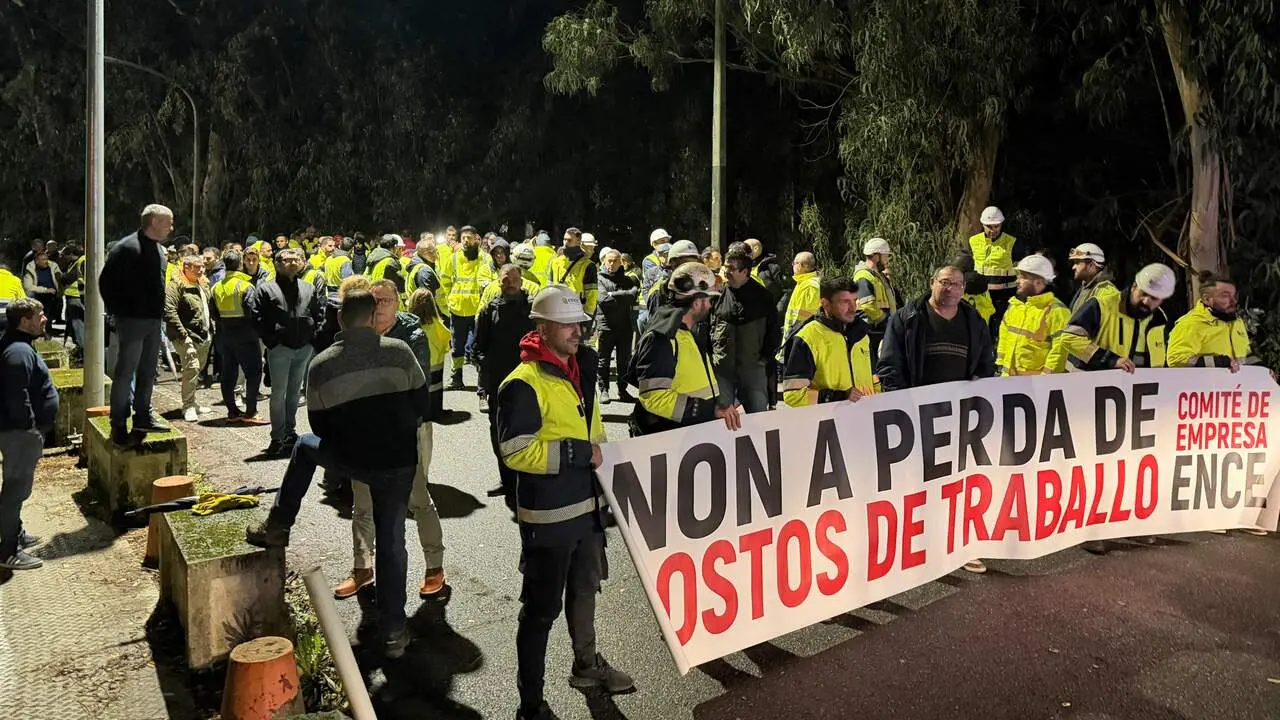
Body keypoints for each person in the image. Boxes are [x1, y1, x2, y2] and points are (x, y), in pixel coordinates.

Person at [247, 290, 428, 658]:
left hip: (351, 458)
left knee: (304, 446)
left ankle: (279, 525)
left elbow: (320, 426)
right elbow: (421, 405)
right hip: (397, 462)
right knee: (392, 541)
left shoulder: (322, 364)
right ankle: (394, 632)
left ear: (341, 319)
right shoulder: (400, 352)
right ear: (374, 317)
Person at [495, 285, 634, 720]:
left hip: (587, 510)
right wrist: (577, 453)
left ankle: (587, 667)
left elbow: (594, 433)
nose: (578, 332)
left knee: (586, 590)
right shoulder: (521, 383)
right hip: (550, 519)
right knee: (541, 612)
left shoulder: (580, 369)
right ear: (542, 328)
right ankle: (530, 705)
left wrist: (605, 485)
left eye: (580, 324)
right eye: (567, 325)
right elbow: (515, 451)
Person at [331, 281, 450, 602]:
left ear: (398, 304)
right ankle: (362, 568)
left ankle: (435, 566)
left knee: (418, 498)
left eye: (387, 300)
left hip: (404, 434)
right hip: (365, 435)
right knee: (362, 504)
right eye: (375, 300)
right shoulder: (358, 334)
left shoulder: (412, 337)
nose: (380, 305)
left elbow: (413, 387)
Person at [1055, 263, 1175, 554]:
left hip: (1134, 403)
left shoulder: (1159, 319)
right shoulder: (1102, 305)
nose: (1146, 301)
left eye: (1154, 298)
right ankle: (1091, 528)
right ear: (1133, 286)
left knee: (1131, 464)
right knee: (1094, 466)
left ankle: (1129, 522)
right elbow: (1069, 337)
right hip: (1089, 398)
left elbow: (1162, 359)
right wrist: (1109, 359)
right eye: (1143, 294)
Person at [631, 263, 742, 436]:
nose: (711, 306)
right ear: (697, 302)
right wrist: (709, 410)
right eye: (710, 300)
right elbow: (654, 398)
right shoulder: (662, 339)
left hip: (691, 431)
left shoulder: (688, 333)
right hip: (673, 436)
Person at [99, 203, 174, 445]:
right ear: (154, 222)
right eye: (168, 223)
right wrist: (118, 312)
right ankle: (118, 423)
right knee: (125, 372)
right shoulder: (126, 248)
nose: (171, 228)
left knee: (148, 371)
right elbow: (106, 283)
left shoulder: (158, 249)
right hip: (131, 320)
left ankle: (143, 416)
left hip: (153, 320)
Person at [0, 299, 58, 570]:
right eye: (40, 315)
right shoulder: (18, 352)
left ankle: (16, 532)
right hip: (19, 433)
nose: (44, 318)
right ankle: (8, 551)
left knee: (17, 489)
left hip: (20, 432)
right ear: (24, 321)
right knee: (15, 491)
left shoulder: (20, 345)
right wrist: (30, 429)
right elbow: (17, 396)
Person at [248, 249, 323, 453]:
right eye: (286, 259)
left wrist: (312, 340)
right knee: (278, 393)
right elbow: (256, 317)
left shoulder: (308, 287)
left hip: (303, 348)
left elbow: (319, 313)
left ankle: (289, 431)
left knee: (294, 393)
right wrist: (272, 341)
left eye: (295, 259)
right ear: (277, 264)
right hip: (280, 349)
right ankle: (277, 436)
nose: (292, 262)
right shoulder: (266, 289)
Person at [877, 265, 996, 391]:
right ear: (932, 283)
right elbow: (890, 365)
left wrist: (977, 388)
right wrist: (903, 398)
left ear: (963, 288)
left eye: (957, 284)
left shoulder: (975, 321)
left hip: (961, 400)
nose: (950, 289)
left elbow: (986, 363)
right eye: (945, 282)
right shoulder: (907, 319)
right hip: (918, 400)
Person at [475, 266, 535, 507]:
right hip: (499, 384)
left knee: (529, 430)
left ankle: (527, 480)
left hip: (529, 382)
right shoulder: (489, 309)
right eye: (505, 280)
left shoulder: (533, 308)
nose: (510, 283)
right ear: (498, 282)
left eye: (514, 279)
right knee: (499, 432)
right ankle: (507, 480)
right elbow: (478, 347)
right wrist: (487, 367)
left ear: (521, 281)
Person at [781, 276, 875, 407]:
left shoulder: (862, 334)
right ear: (825, 304)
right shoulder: (807, 337)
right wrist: (838, 397)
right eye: (845, 302)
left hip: (866, 415)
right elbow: (793, 395)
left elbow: (874, 380)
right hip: (830, 418)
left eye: (855, 300)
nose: (853, 308)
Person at [711, 243, 780, 414]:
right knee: (722, 417)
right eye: (725, 267)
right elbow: (710, 328)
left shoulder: (763, 297)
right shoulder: (718, 296)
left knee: (758, 416)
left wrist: (764, 359)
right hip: (723, 370)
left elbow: (773, 332)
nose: (726, 272)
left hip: (753, 371)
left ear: (745, 272)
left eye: (731, 269)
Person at [210, 251, 269, 425]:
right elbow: (253, 312)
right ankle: (251, 411)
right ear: (240, 264)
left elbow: (214, 313)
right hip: (246, 334)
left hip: (225, 333)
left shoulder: (216, 287)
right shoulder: (245, 286)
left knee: (228, 374)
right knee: (254, 373)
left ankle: (232, 411)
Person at [995, 254, 1071, 376]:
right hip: (1008, 379)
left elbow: (1060, 349)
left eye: (1023, 277)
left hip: (1036, 383)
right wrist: (1001, 364)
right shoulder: (1015, 305)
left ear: (1039, 282)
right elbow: (1004, 335)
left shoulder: (1056, 310)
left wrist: (1047, 377)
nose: (1017, 281)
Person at [164, 255, 215, 422]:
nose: (201, 270)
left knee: (197, 369)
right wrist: (182, 332)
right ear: (186, 267)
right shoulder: (176, 285)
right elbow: (169, 310)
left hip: (203, 334)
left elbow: (208, 307)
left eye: (202, 267)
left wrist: (212, 328)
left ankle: (193, 402)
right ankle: (188, 406)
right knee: (191, 368)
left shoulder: (203, 283)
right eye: (197, 267)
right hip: (185, 335)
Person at [957, 206, 1028, 324]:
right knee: (982, 324)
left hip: (1004, 295)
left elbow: (1022, 269)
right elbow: (966, 265)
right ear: (983, 225)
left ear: (1001, 225)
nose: (993, 230)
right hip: (981, 295)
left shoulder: (1012, 243)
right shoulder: (973, 241)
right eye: (989, 226)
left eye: (996, 226)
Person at [445, 226, 494, 390]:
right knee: (457, 347)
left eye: (469, 238)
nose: (466, 241)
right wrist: (447, 302)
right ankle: (456, 377)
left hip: (478, 310)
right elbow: (445, 282)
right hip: (457, 309)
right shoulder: (453, 258)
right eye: (463, 238)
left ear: (476, 239)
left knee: (478, 347)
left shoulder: (486, 259)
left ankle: (482, 382)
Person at [595, 248, 639, 404]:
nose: (612, 264)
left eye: (615, 261)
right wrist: (622, 297)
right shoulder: (599, 278)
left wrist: (613, 295)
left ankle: (622, 390)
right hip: (605, 325)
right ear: (604, 261)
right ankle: (604, 390)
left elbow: (633, 296)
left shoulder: (627, 280)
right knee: (603, 361)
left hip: (624, 326)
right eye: (609, 261)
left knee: (624, 361)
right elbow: (603, 300)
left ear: (621, 262)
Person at [853, 238, 897, 365]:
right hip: (872, 330)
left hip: (880, 328)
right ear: (876, 255)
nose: (887, 259)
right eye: (885, 255)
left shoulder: (877, 275)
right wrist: (885, 320)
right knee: (875, 365)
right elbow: (867, 304)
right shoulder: (863, 275)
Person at [550, 228, 599, 326]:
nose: (565, 243)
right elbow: (549, 288)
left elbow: (592, 295)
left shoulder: (588, 265)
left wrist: (587, 320)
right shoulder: (555, 262)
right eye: (564, 239)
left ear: (578, 241)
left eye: (569, 240)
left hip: (577, 314)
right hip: (557, 312)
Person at [780, 251, 821, 346]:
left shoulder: (809, 286)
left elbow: (802, 317)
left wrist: (791, 338)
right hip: (794, 336)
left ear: (799, 265)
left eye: (794, 263)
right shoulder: (803, 282)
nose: (793, 266)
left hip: (797, 338)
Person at [1067, 243, 1116, 315]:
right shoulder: (1084, 289)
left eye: (1077, 263)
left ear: (1091, 265)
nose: (1073, 267)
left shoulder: (1107, 292)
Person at [22, 249, 61, 328]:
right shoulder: (30, 269)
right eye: (43, 260)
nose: (46, 261)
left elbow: (60, 279)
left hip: (52, 294)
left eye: (46, 259)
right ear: (36, 261)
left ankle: (48, 328)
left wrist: (59, 290)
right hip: (37, 294)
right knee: (32, 296)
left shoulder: (53, 266)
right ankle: (37, 328)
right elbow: (28, 287)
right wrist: (45, 290)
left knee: (51, 306)